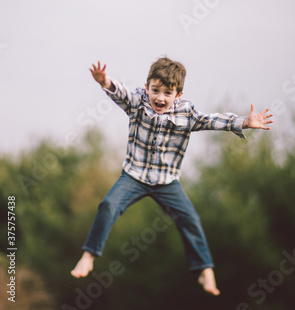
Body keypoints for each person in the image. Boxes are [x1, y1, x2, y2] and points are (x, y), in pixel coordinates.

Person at [71, 57, 273, 295]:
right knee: (108, 205)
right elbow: (121, 93)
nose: (160, 98)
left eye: (168, 93)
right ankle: (89, 255)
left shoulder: (186, 113)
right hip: (134, 175)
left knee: (191, 219)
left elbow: (211, 120)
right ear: (147, 88)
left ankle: (205, 269)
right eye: (155, 91)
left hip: (167, 181)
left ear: (178, 94)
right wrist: (104, 81)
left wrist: (244, 123)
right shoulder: (138, 101)